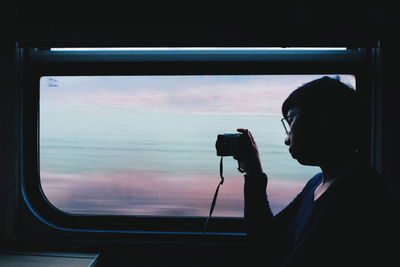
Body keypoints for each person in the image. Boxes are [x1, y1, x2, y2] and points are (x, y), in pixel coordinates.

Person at [235, 76, 394, 266]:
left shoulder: (358, 192)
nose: (287, 140)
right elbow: (265, 238)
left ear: (322, 120)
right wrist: (254, 173)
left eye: (291, 121)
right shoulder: (318, 182)